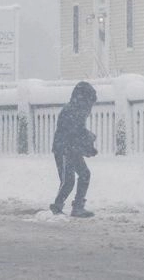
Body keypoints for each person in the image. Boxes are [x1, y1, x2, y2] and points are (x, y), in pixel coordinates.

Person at [50, 81, 98, 218]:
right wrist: (87, 143)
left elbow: (78, 133)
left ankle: (78, 207)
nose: (90, 107)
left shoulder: (78, 111)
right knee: (68, 180)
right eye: (89, 102)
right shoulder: (70, 111)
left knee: (85, 174)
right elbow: (73, 133)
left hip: (73, 149)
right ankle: (57, 206)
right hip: (64, 150)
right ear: (83, 99)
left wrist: (87, 146)